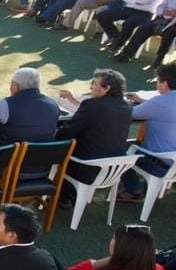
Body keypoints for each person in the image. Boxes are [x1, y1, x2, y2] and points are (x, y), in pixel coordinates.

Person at [56, 69, 133, 204]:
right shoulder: (127, 106)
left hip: (87, 168)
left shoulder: (92, 105)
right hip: (114, 169)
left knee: (56, 151)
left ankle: (63, 196)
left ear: (106, 88)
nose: (91, 87)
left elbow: (67, 132)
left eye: (94, 83)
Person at [119, 63, 176, 201]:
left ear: (165, 83)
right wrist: (142, 101)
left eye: (158, 81)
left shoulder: (159, 102)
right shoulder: (161, 103)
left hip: (160, 163)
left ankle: (134, 189)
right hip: (173, 161)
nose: (157, 84)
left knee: (117, 148)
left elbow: (128, 113)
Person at [0, 67, 60, 147]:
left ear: (16, 86)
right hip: (44, 154)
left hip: (9, 153)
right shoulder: (53, 104)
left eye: (11, 83)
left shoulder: (5, 104)